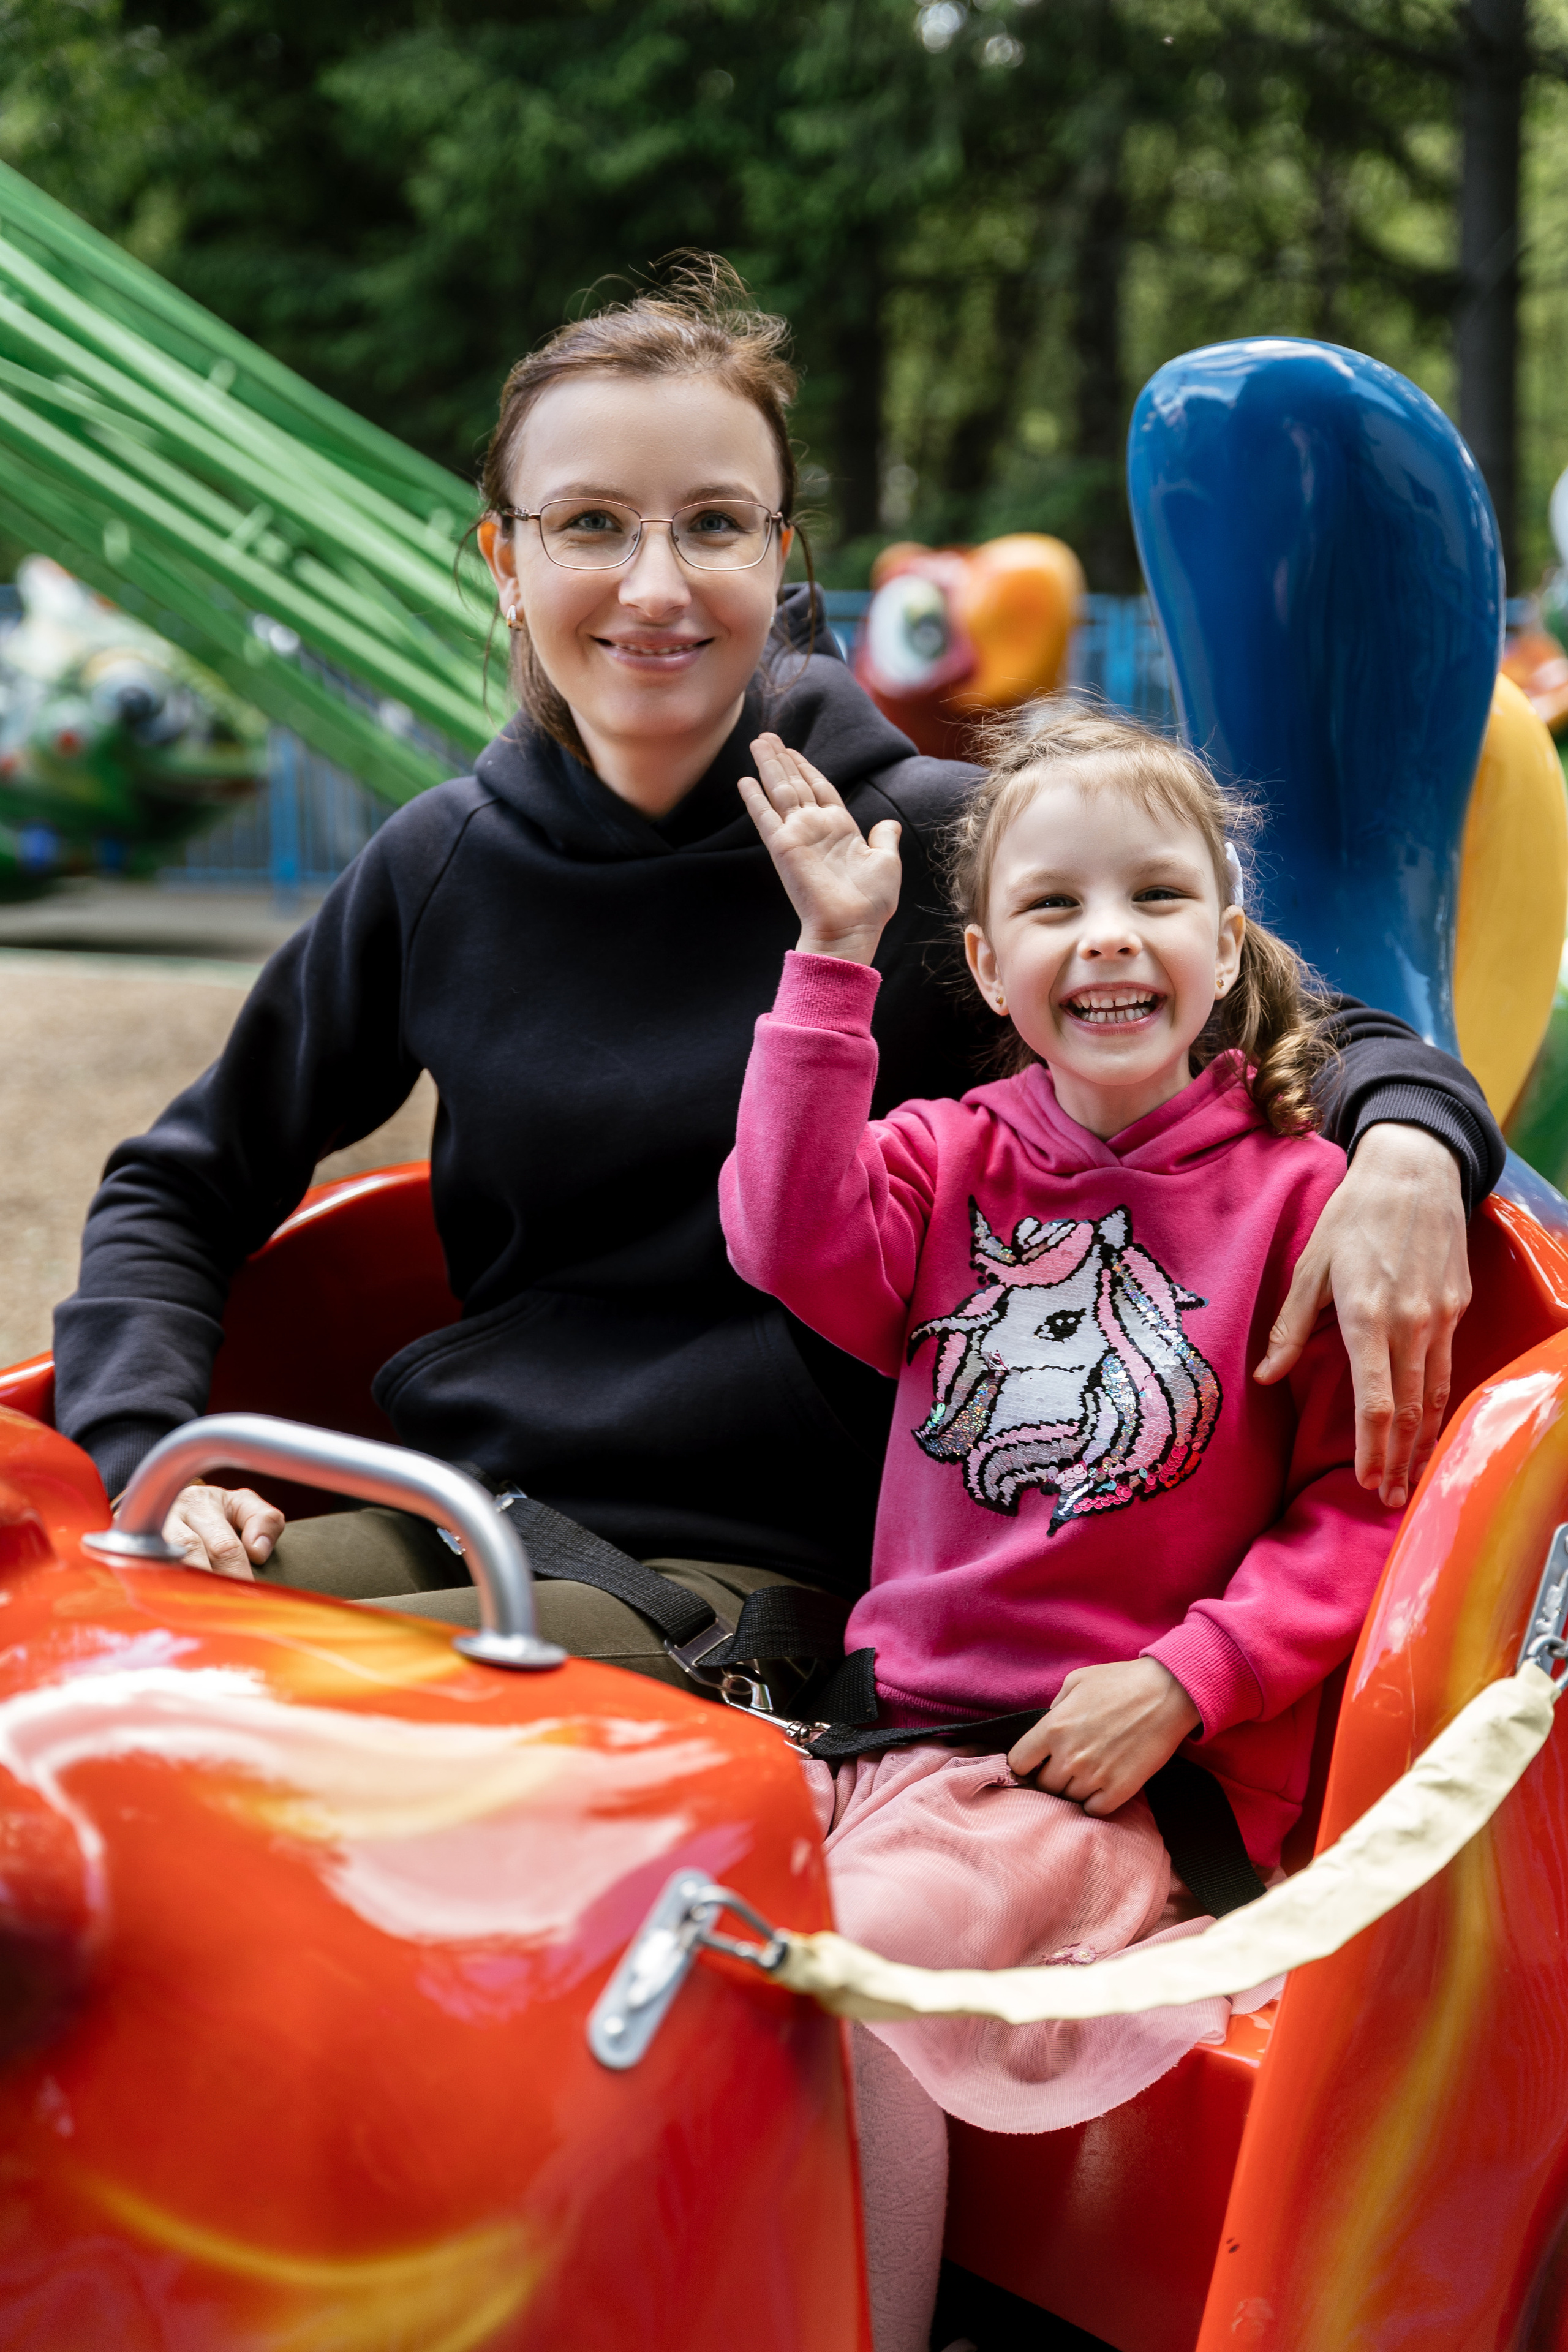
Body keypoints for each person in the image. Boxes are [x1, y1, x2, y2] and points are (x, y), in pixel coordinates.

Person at [53, 261, 1493, 1660]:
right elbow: (179, 1184)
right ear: (508, 560)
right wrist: (151, 1457)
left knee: (305, 1710)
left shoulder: (929, 850)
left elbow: (1322, 1029)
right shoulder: (439, 867)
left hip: (767, 1567)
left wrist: (1412, 1152)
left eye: (715, 526)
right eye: (594, 524)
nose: (657, 585)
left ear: (780, 553)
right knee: (120, 1650)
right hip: (462, 1504)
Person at [718, 709, 1404, 2352]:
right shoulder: (948, 1164)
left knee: (859, 1968)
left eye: (1157, 896)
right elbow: (780, 1234)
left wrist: (1190, 1680)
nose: (1109, 932)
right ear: (990, 961)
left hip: (1111, 1772)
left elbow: (1363, 1511)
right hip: (897, 1743)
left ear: (1222, 941)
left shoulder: (1300, 1198)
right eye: (1055, 906)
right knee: (656, 1920)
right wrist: (830, 958)